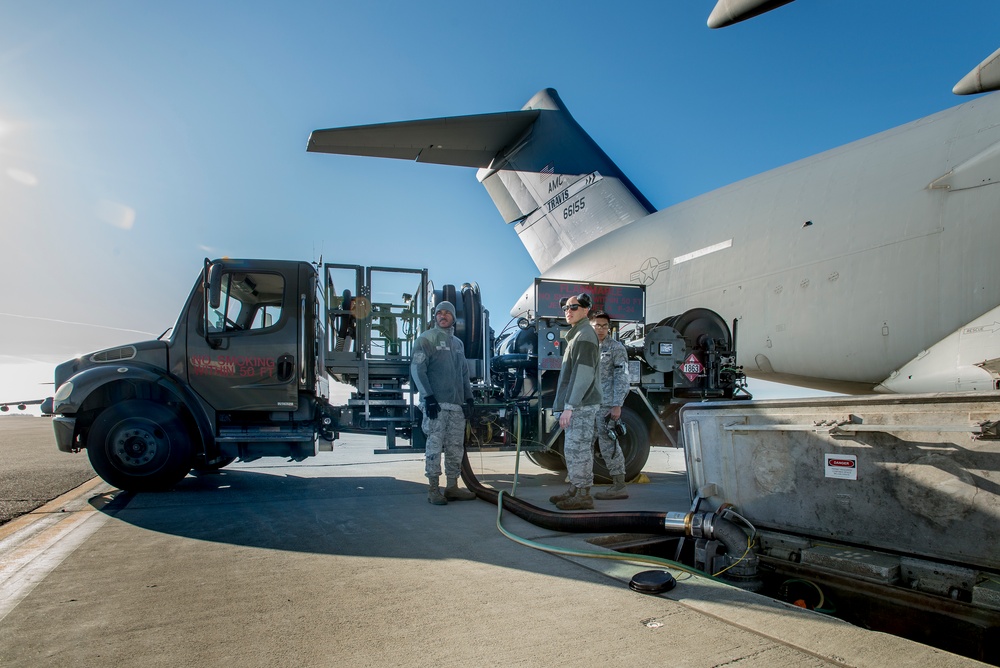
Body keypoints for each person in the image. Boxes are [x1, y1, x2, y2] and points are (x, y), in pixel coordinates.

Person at [411, 301, 476, 505]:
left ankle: (452, 486)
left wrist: (469, 398)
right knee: (434, 446)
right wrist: (428, 396)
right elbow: (417, 369)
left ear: (454, 317)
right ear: (435, 316)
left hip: (456, 406)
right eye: (439, 313)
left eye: (447, 313)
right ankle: (433, 489)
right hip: (436, 405)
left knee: (455, 447)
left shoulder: (458, 344)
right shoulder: (426, 338)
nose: (443, 316)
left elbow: (463, 373)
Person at [549, 293, 602, 510]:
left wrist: (569, 407)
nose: (568, 311)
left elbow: (584, 374)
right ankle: (575, 489)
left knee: (578, 449)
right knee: (574, 450)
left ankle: (583, 495)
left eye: (573, 307)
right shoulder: (578, 334)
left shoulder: (585, 336)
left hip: (581, 406)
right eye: (565, 308)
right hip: (578, 405)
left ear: (586, 309)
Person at [589, 311, 630, 500]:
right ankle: (582, 485)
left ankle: (619, 485)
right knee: (584, 443)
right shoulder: (586, 346)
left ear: (609, 328)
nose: (600, 329)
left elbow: (622, 377)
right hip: (587, 404)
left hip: (606, 405)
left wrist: (617, 405)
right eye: (596, 325)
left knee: (608, 443)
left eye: (604, 326)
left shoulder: (616, 348)